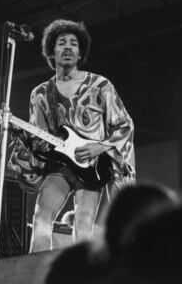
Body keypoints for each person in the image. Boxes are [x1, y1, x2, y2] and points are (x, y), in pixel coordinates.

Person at [8, 19, 135, 253]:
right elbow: (39, 141)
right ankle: (38, 275)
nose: (67, 47)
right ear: (52, 52)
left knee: (83, 227)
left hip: (93, 167)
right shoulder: (40, 94)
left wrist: (99, 147)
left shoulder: (100, 85)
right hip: (60, 166)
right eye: (61, 43)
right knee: (41, 218)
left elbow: (124, 126)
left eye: (73, 44)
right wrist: (17, 130)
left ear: (79, 53)